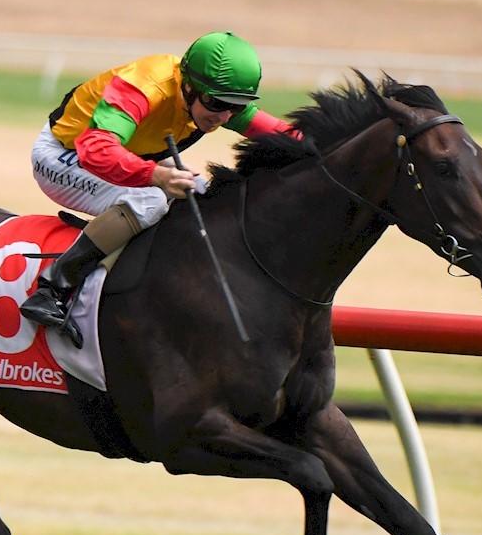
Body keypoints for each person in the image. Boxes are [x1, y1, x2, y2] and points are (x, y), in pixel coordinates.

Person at [19, 31, 296, 347]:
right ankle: (53, 287)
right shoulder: (143, 87)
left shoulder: (214, 97)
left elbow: (283, 134)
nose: (223, 116)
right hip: (66, 155)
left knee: (204, 192)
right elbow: (95, 151)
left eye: (236, 106)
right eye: (217, 104)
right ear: (188, 87)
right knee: (149, 200)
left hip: (131, 153)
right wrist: (157, 176)